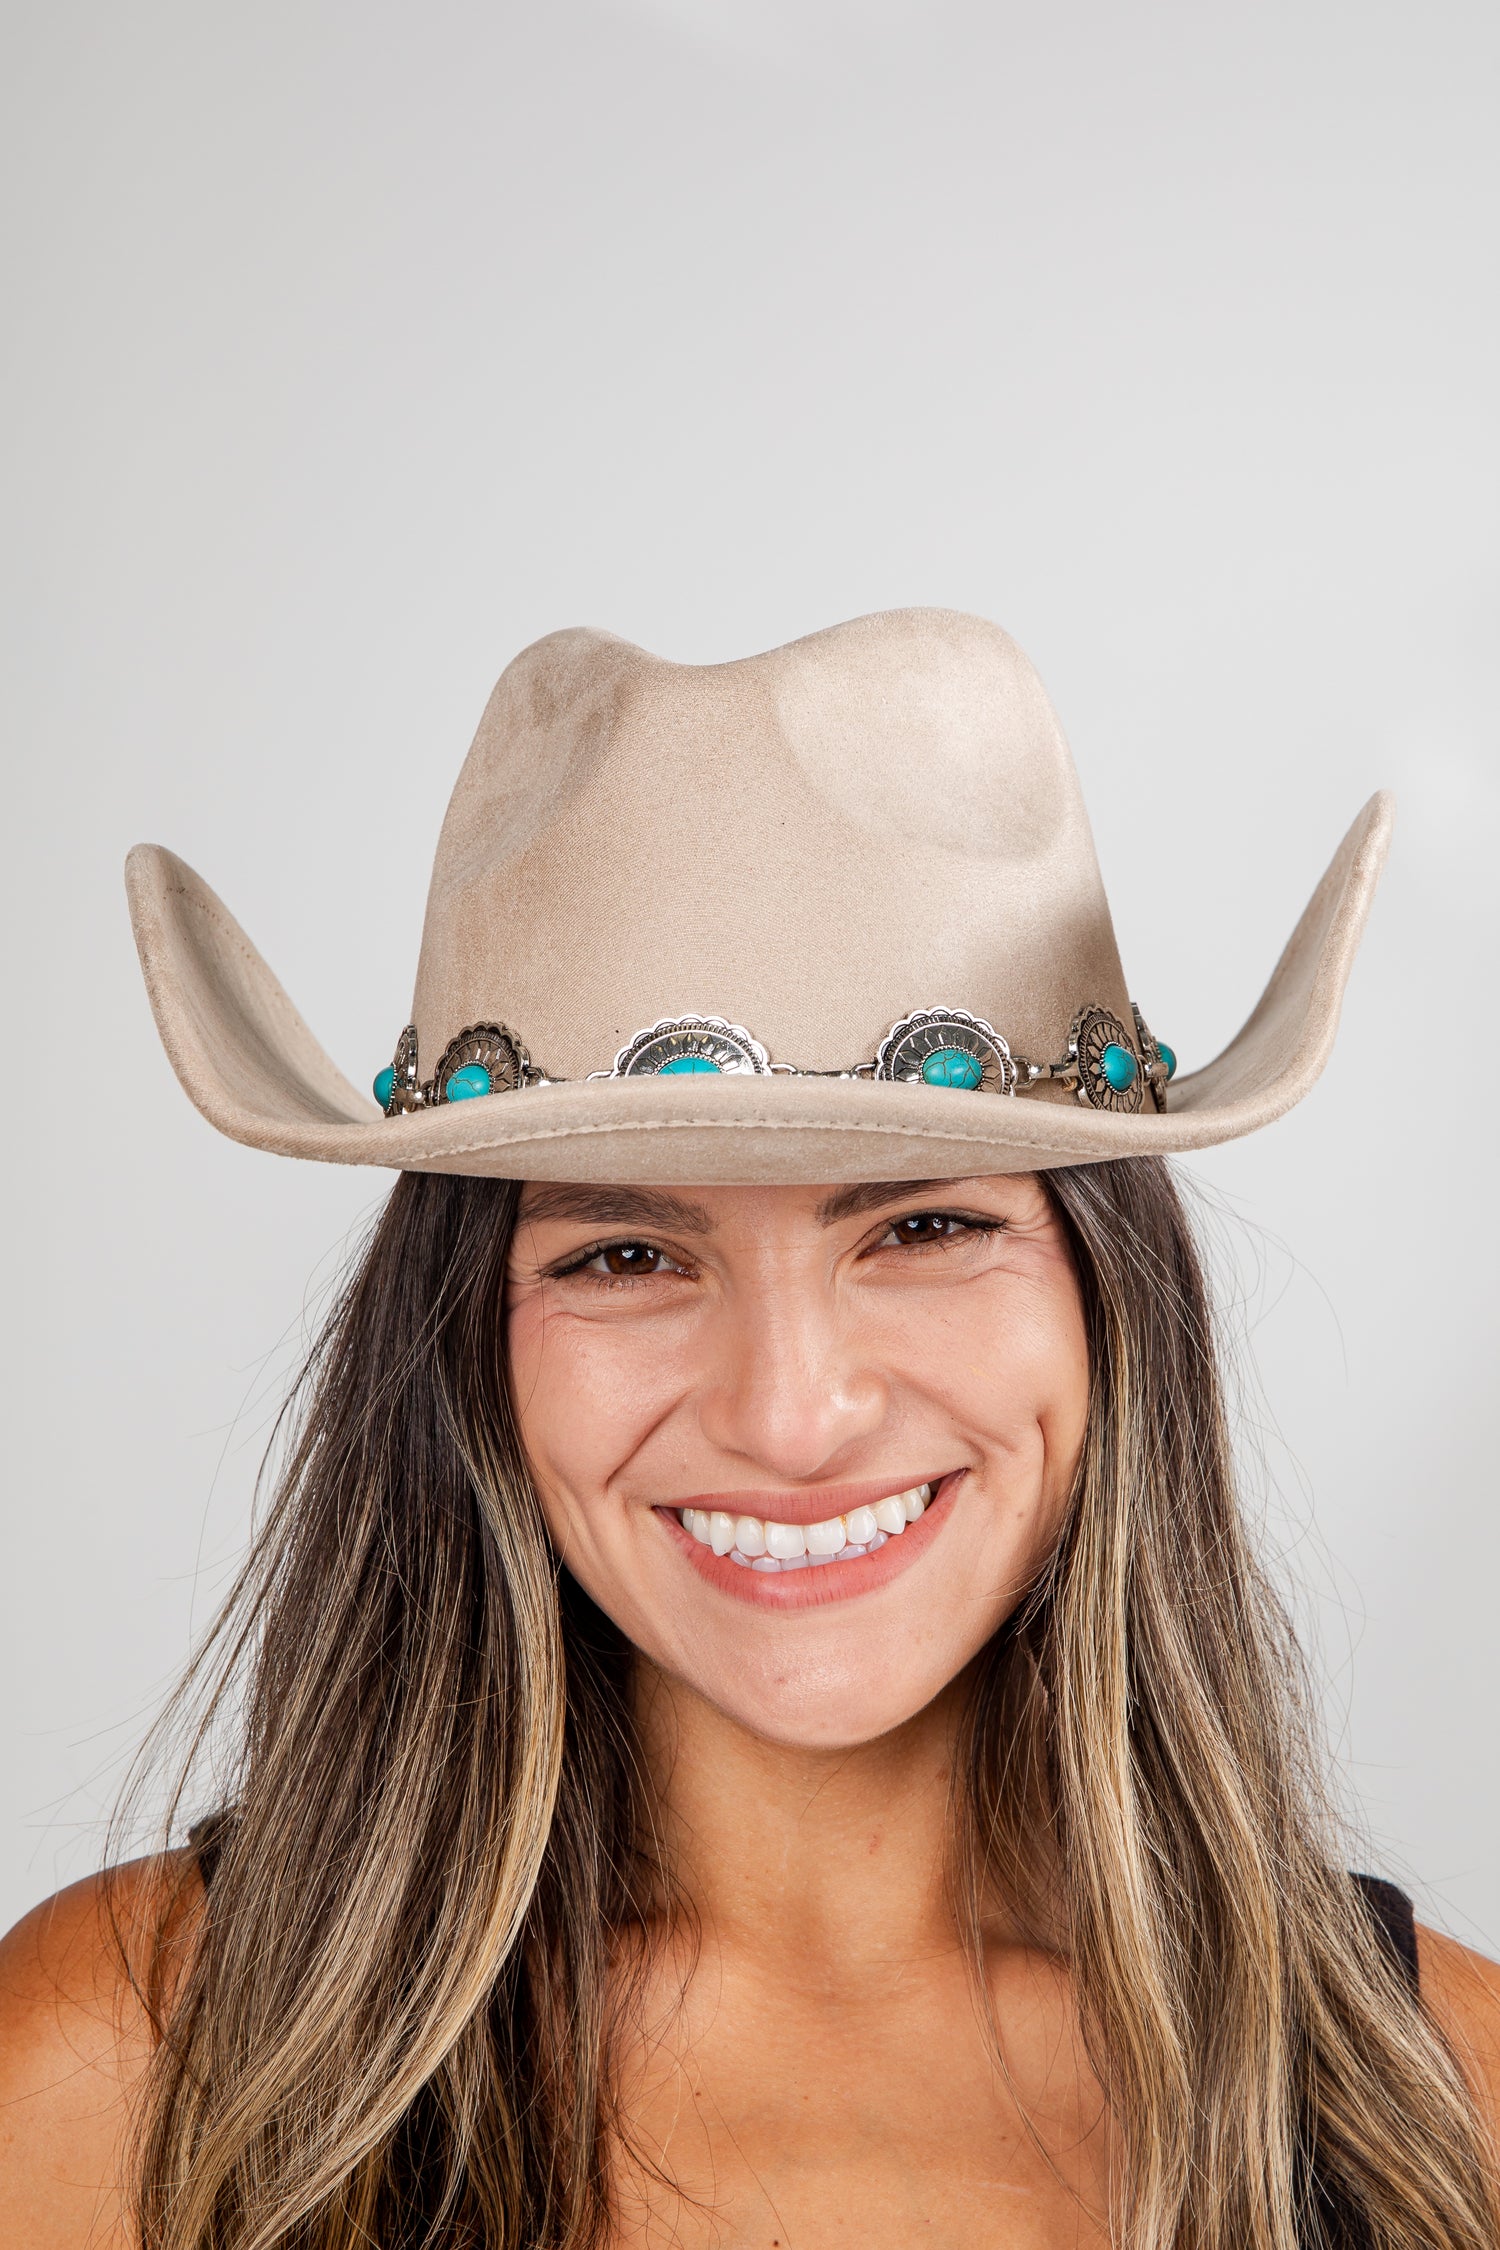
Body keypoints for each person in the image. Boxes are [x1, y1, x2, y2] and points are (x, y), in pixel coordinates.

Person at [2, 610, 1496, 2249]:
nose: (791, 1415)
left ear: (1109, 1291)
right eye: (627, 1254)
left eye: (920, 1228)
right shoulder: (120, 2062)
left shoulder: (1451, 2105)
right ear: (459, 1342)